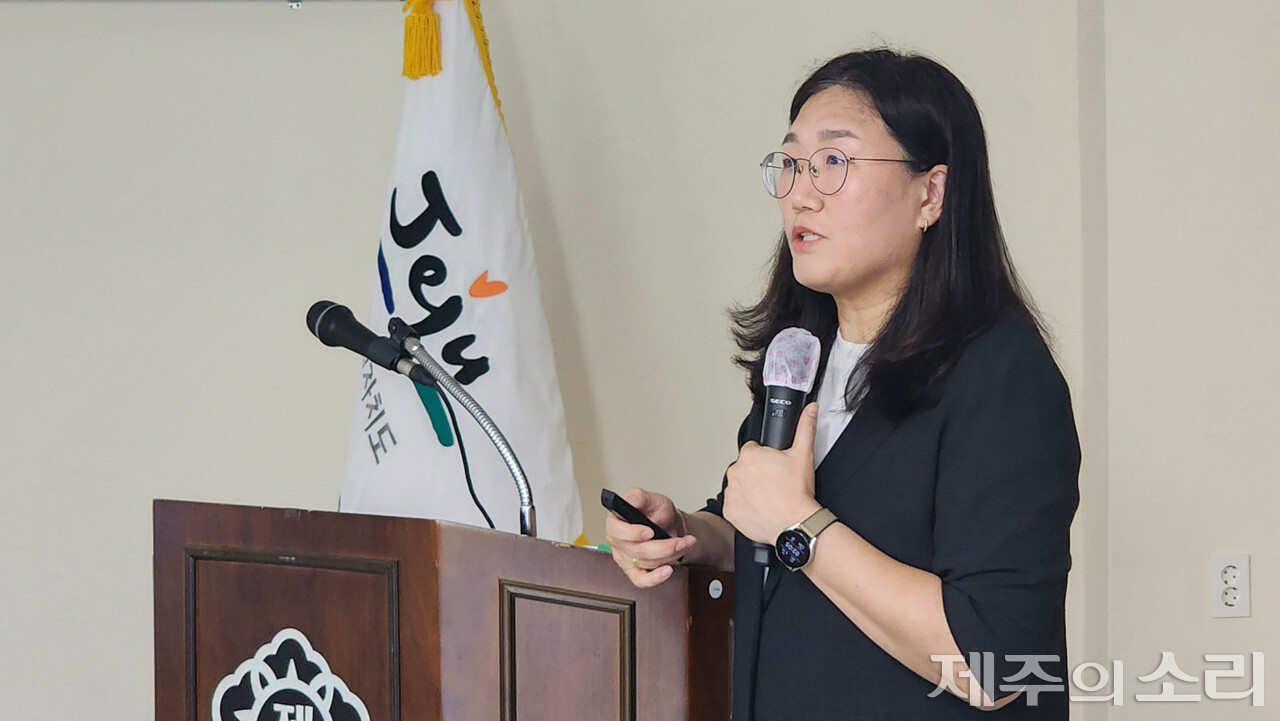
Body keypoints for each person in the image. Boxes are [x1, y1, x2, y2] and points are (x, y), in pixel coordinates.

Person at [605, 48, 1080, 720]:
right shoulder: (800, 358)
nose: (800, 191)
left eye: (834, 161)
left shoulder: (1002, 374)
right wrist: (688, 533)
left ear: (931, 194)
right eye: (792, 162)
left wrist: (799, 523)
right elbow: (765, 535)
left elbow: (995, 661)